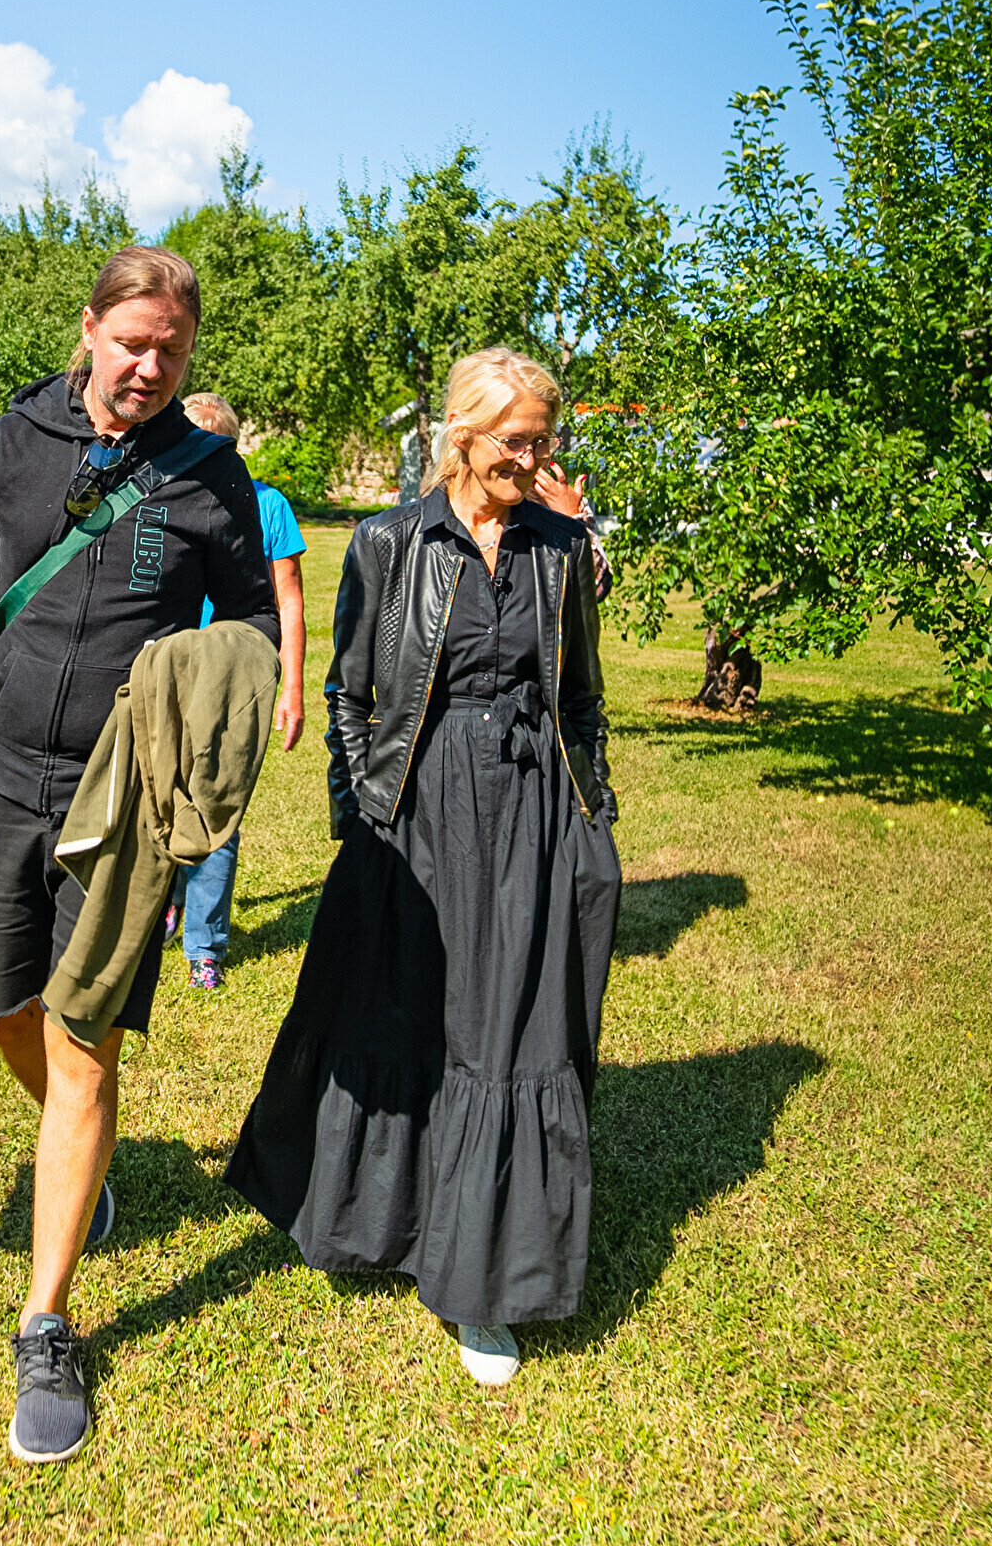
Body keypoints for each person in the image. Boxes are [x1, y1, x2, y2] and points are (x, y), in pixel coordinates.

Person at [0, 244, 278, 1467]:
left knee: (84, 1042)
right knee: (4, 1009)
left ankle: (46, 1321)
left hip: (120, 800)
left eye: (172, 349)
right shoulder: (12, 442)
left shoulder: (210, 472)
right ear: (88, 330)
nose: (149, 366)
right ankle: (85, 1150)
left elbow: (249, 619)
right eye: (132, 342)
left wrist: (201, 693)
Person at [223, 346, 621, 1389]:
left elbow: (583, 696)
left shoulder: (560, 547)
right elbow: (351, 695)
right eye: (517, 441)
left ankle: (482, 1285)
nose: (535, 459)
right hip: (420, 805)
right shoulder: (391, 541)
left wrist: (595, 821)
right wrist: (363, 821)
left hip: (532, 807)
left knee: (507, 1030)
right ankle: (383, 1225)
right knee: (402, 1013)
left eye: (544, 440)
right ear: (463, 436)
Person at [161, 391, 308, 989]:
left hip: (233, 676)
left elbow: (289, 601)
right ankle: (163, 905)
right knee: (158, 796)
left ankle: (204, 946)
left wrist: (293, 687)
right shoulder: (159, 495)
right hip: (164, 667)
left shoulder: (267, 506)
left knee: (215, 804)